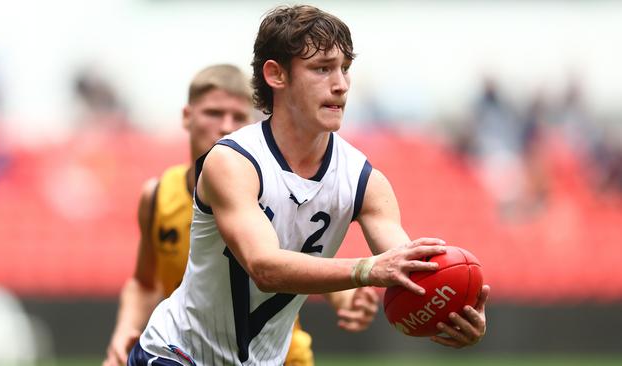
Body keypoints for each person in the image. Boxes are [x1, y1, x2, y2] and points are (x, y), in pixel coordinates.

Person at [131, 5, 489, 365]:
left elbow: (405, 268)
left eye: (345, 69)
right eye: (322, 69)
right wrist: (367, 269)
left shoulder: (366, 181)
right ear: (276, 75)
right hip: (175, 354)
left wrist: (452, 308)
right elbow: (265, 267)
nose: (341, 85)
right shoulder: (232, 161)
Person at [103, 64, 378, 366]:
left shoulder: (272, 189)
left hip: (282, 356)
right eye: (213, 113)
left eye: (237, 117)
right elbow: (144, 282)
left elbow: (307, 253)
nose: (225, 126)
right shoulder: (157, 197)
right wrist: (124, 329)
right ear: (187, 116)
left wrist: (346, 298)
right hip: (189, 352)